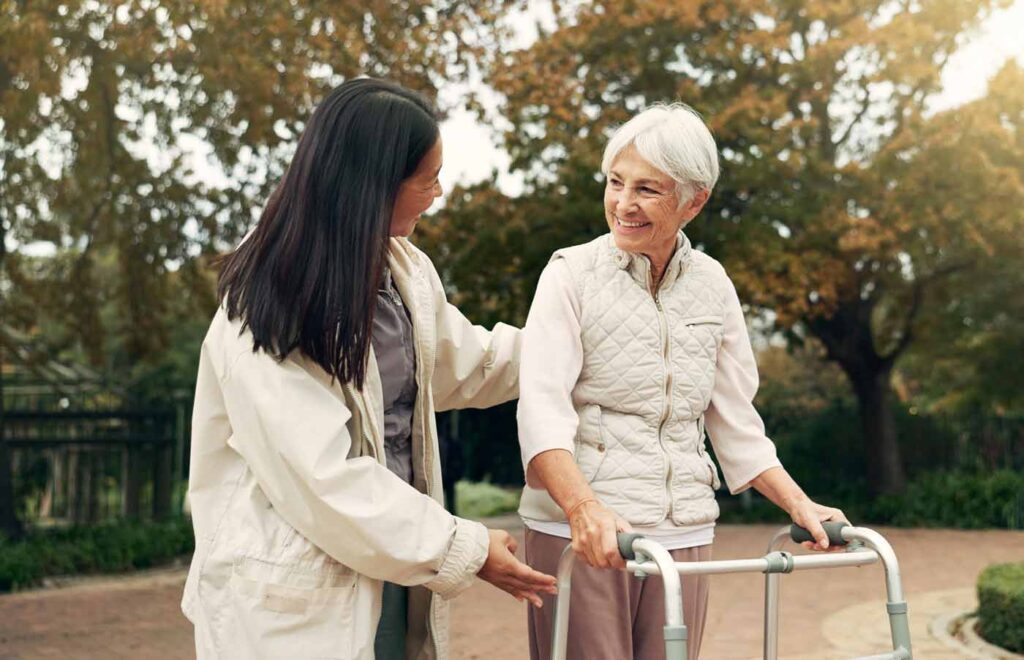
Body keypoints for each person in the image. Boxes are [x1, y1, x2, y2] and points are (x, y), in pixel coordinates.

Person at [181, 78, 556, 660]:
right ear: (375, 184)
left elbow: (466, 365)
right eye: (427, 178)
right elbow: (321, 476)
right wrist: (466, 547)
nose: (438, 192)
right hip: (300, 591)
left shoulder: (400, 268)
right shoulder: (264, 302)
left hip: (396, 563)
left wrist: (577, 345)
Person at [516, 104, 848, 659]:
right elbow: (542, 412)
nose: (623, 204)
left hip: (685, 532)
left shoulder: (713, 284)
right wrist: (584, 510)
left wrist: (800, 505)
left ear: (694, 201)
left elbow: (737, 422)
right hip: (590, 537)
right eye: (616, 182)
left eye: (647, 189)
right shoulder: (569, 274)